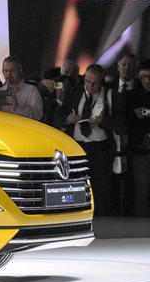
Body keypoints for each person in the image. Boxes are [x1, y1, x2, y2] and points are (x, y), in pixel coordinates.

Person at [55, 63, 124, 216]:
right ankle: (79, 214)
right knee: (78, 184)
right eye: (88, 81)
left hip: (101, 147)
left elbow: (121, 123)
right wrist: (67, 118)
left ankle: (102, 217)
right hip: (78, 146)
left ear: (101, 81)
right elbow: (57, 117)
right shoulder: (75, 93)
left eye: (95, 83)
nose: (91, 86)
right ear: (84, 79)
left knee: (101, 187)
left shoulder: (111, 96)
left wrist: (103, 121)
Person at [125, 66, 150, 217]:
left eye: (149, 76)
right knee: (142, 186)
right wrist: (134, 114)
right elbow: (124, 118)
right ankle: (142, 221)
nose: (147, 80)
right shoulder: (132, 95)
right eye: (143, 77)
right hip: (139, 143)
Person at [0, 56, 43, 120]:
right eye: (6, 71)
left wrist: (18, 107)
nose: (9, 74)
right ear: (3, 72)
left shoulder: (31, 91)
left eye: (12, 70)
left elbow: (38, 116)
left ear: (20, 71)